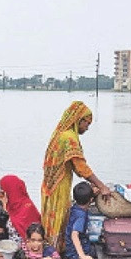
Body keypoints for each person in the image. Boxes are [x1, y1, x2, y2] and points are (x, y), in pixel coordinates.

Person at [41, 100, 111, 250]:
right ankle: (54, 252)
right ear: (79, 120)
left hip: (49, 185)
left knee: (52, 220)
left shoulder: (60, 133)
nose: (87, 127)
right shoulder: (69, 138)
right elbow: (80, 167)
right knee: (59, 218)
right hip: (58, 186)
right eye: (87, 123)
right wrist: (101, 186)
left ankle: (52, 249)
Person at [0, 174, 41, 249]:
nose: (1, 195)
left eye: (3, 192)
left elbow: (33, 236)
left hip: (26, 252)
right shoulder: (9, 206)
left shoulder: (27, 207)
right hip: (9, 248)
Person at [63, 182, 96, 259]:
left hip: (69, 247)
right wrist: (82, 256)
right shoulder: (81, 216)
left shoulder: (74, 207)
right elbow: (74, 235)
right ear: (91, 200)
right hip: (74, 253)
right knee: (95, 250)